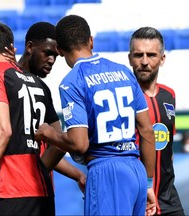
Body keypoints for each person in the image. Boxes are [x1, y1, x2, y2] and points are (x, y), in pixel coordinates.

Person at [35, 14, 157, 216]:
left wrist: (48, 132)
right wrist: (148, 182)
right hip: (136, 171)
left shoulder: (72, 81)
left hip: (106, 172)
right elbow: (146, 130)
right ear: (91, 40)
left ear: (59, 50)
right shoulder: (125, 73)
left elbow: (79, 143)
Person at [0, 22, 64, 216]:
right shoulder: (39, 83)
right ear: (11, 47)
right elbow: (59, 142)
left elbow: (3, 131)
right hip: (43, 193)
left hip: (12, 191)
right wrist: (38, 170)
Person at [17, 21, 86, 192]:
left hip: (35, 190)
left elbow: (58, 143)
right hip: (12, 191)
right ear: (30, 47)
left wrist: (78, 175)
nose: (52, 60)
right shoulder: (6, 80)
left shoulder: (42, 88)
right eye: (48, 53)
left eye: (55, 56)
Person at [128, 26, 185, 216]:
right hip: (136, 202)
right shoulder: (123, 98)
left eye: (151, 55)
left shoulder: (169, 95)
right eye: (138, 55)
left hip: (170, 201)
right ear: (130, 59)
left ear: (162, 59)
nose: (144, 61)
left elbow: (167, 147)